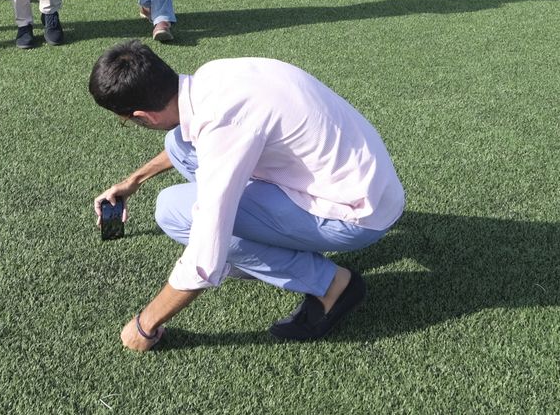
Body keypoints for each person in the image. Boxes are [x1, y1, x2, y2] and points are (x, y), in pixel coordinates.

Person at [88, 41, 405, 349]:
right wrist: (134, 180)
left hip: (357, 215)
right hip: (367, 184)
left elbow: (204, 261)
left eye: (127, 121)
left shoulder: (222, 127)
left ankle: (332, 285)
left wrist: (145, 325)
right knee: (179, 144)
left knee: (174, 210)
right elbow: (207, 134)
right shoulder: (211, 76)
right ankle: (278, 248)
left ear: (145, 117)